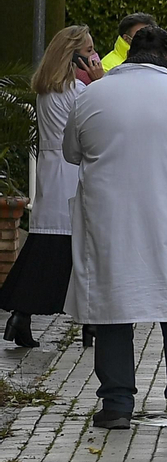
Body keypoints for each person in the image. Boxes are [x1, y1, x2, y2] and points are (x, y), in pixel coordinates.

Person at [64, 26, 167, 431]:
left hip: (111, 223)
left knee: (113, 306)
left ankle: (116, 405)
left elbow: (71, 152)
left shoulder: (92, 96)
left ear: (128, 53)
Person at [0, 26, 102, 348]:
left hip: (52, 171)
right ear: (74, 56)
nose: (94, 57)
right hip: (71, 173)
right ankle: (89, 323)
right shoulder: (78, 91)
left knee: (46, 249)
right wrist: (100, 82)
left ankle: (22, 315)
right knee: (77, 252)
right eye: (88, 51)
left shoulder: (48, 90)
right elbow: (98, 123)